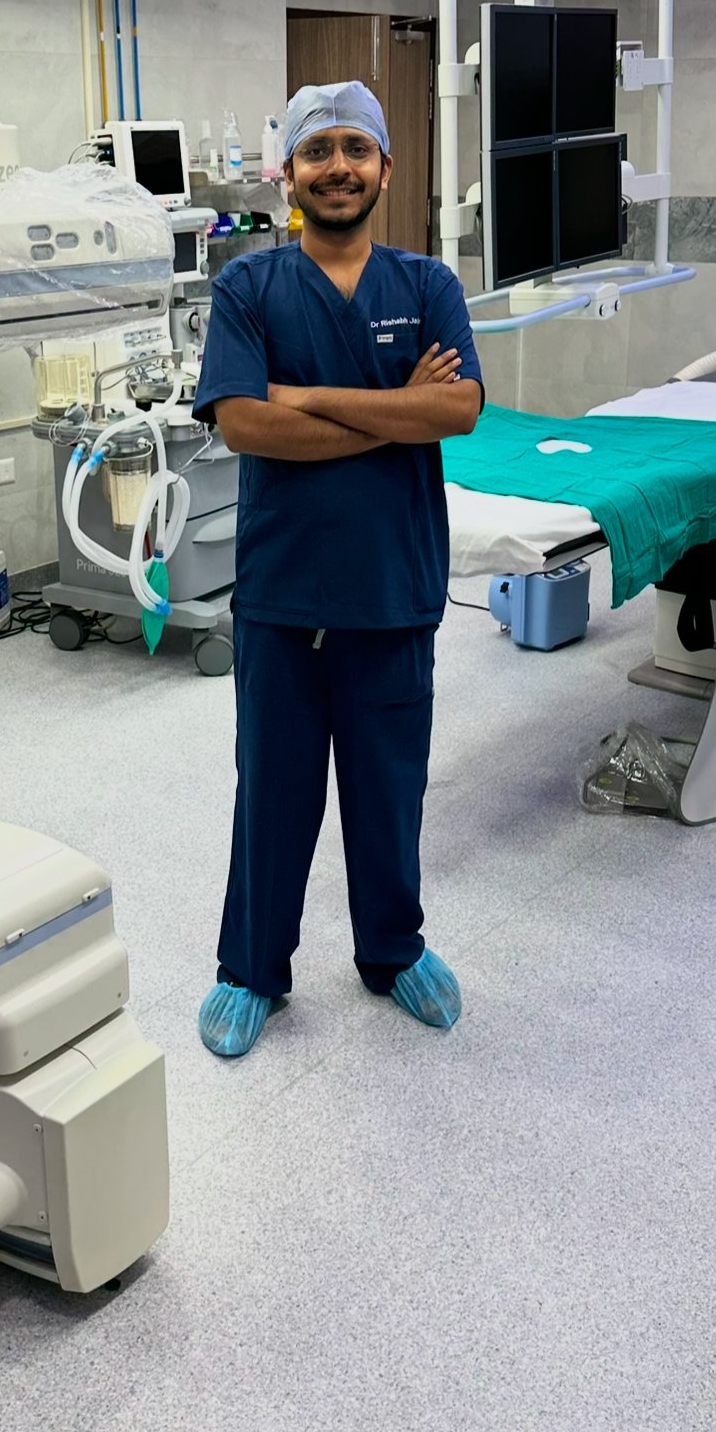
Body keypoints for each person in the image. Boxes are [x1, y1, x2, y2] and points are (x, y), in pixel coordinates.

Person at [192, 79, 484, 1058]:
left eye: (357, 148)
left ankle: (393, 951)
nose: (338, 167)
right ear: (289, 173)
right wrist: (394, 410)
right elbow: (244, 424)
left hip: (393, 591)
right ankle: (251, 969)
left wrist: (305, 398)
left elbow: (456, 409)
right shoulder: (249, 289)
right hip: (284, 596)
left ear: (385, 169)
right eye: (318, 151)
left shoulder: (428, 286)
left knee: (390, 789)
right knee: (272, 793)